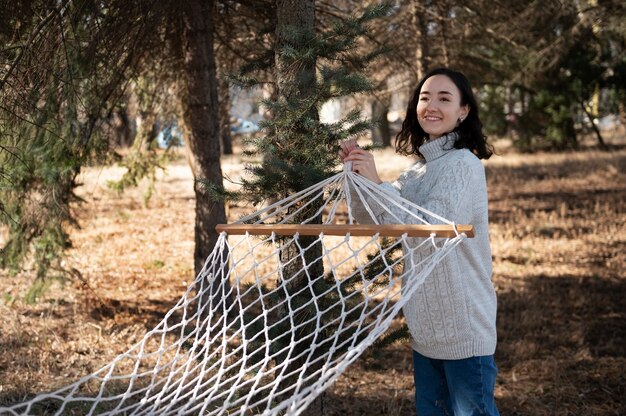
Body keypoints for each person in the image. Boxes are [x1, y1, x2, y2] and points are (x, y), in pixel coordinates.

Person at [339, 67, 499, 416]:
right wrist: (358, 180)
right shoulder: (416, 171)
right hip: (426, 329)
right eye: (425, 97)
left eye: (444, 98)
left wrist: (378, 183)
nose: (431, 106)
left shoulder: (463, 165)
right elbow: (376, 220)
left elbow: (428, 230)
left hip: (463, 327)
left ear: (463, 111)